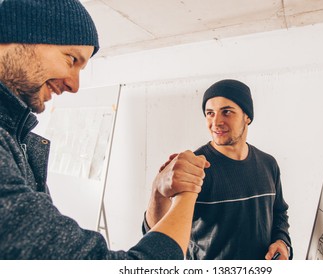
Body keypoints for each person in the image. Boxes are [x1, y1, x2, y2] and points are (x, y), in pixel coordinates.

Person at [0, 0, 209, 260]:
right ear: (16, 34)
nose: (74, 85)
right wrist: (188, 191)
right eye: (71, 59)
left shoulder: (16, 139)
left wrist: (159, 188)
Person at [144, 79, 293, 260]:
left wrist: (281, 241)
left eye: (227, 112)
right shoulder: (195, 168)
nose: (216, 122)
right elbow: (155, 236)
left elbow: (279, 213)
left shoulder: (268, 164)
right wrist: (157, 190)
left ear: (247, 116)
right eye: (210, 113)